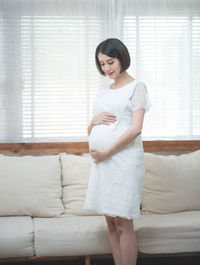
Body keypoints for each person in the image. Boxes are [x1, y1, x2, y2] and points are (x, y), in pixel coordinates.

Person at [83, 38, 151, 265]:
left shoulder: (137, 87)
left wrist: (107, 152)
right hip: (103, 162)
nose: (106, 68)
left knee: (123, 222)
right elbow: (92, 129)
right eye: (101, 64)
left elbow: (136, 128)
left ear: (122, 58)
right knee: (110, 222)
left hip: (124, 160)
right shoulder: (104, 91)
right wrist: (93, 121)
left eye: (110, 62)